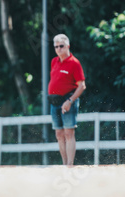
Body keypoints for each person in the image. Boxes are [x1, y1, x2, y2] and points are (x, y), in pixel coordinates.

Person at [48, 34, 86, 166]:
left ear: (68, 46)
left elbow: (81, 85)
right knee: (59, 133)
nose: (58, 49)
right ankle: (64, 164)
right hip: (54, 102)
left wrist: (70, 101)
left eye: (61, 46)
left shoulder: (74, 63)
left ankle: (70, 165)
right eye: (56, 47)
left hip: (68, 100)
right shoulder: (54, 61)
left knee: (69, 133)